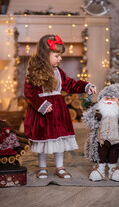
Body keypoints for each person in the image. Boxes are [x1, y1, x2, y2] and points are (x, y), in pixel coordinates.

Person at [24, 34, 97, 179]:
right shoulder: (34, 73)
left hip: (58, 111)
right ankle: (42, 167)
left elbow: (70, 84)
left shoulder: (58, 72)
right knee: (44, 139)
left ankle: (60, 167)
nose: (60, 58)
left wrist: (86, 86)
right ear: (45, 55)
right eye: (57, 55)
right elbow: (29, 92)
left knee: (59, 139)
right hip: (43, 112)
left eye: (60, 55)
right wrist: (42, 105)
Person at [83, 84, 119, 182]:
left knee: (114, 154)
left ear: (117, 100)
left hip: (116, 140)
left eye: (112, 99)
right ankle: (100, 169)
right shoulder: (98, 111)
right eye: (107, 98)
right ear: (102, 99)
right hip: (101, 140)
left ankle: (113, 170)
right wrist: (93, 114)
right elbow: (88, 120)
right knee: (100, 154)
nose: (109, 101)